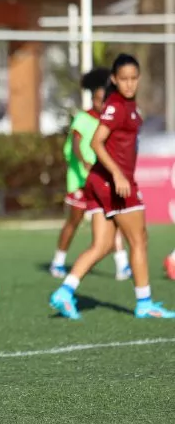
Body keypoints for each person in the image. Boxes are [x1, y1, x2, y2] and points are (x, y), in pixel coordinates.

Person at [49, 54, 175, 319]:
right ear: (114, 80)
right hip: (113, 182)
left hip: (100, 181)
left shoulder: (126, 104)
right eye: (123, 79)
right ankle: (144, 303)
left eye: (133, 78)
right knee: (138, 239)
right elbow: (96, 142)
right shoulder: (116, 106)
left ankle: (65, 291)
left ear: (138, 78)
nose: (129, 84)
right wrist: (118, 175)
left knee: (103, 245)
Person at [50, 68, 131, 280]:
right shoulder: (83, 118)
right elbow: (76, 144)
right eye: (97, 100)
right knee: (74, 221)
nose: (100, 104)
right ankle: (58, 261)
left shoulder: (108, 121)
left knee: (112, 218)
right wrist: (84, 161)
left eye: (104, 100)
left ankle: (122, 264)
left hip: (100, 180)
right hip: (80, 179)